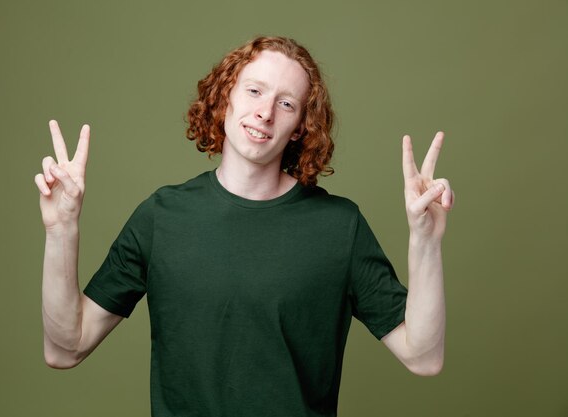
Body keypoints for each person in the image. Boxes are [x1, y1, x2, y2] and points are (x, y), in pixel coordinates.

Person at [35, 36, 453, 416]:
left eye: (287, 103)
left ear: (299, 128)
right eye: (254, 90)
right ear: (225, 98)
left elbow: (423, 357)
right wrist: (61, 230)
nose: (265, 112)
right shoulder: (162, 216)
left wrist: (426, 240)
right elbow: (65, 347)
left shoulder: (339, 227)